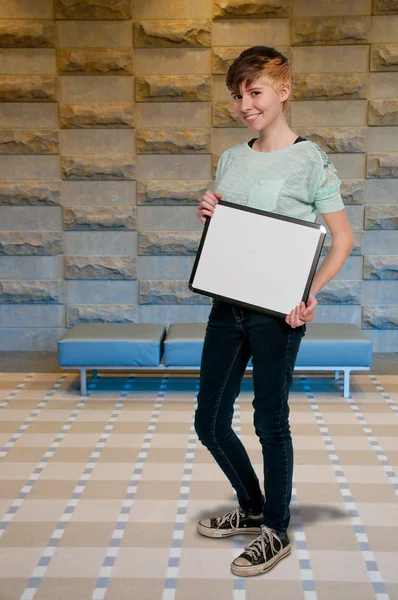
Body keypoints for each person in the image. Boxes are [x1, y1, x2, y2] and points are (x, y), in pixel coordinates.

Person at [194, 46, 354, 577]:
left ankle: (275, 531)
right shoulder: (231, 158)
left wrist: (309, 294)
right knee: (210, 420)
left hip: (277, 315)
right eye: (237, 95)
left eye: (255, 92)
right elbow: (234, 234)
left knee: (270, 421)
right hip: (227, 305)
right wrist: (210, 213)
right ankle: (253, 504)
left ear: (283, 91)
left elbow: (342, 240)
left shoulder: (312, 159)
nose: (245, 104)